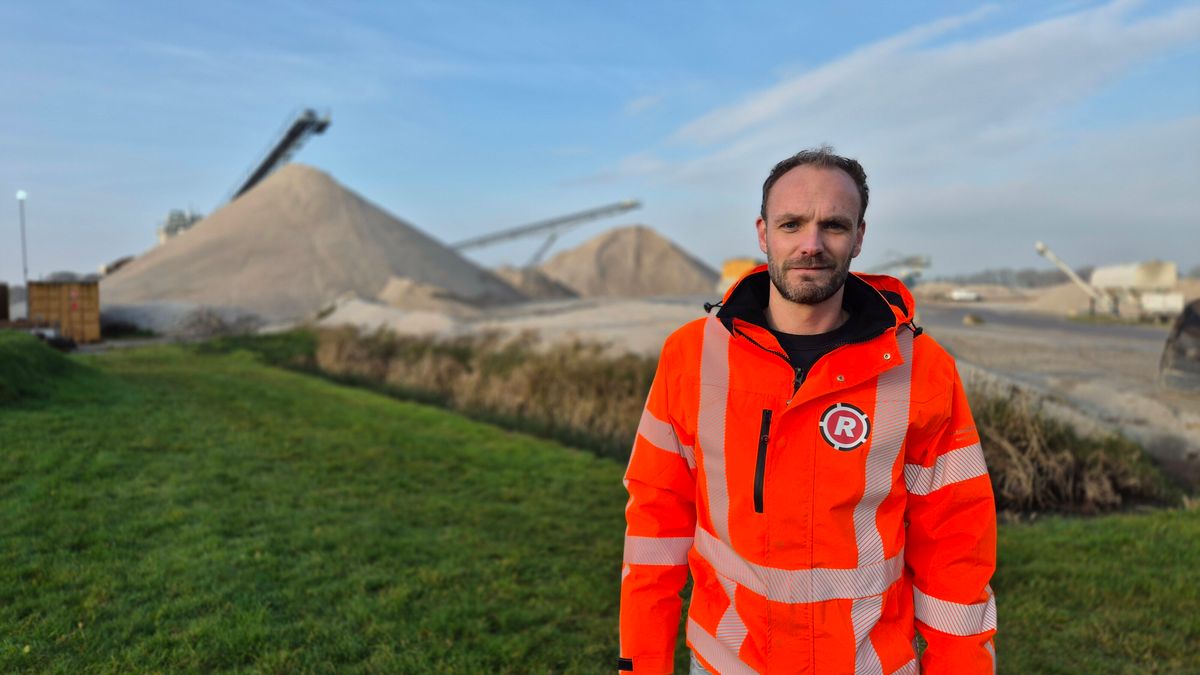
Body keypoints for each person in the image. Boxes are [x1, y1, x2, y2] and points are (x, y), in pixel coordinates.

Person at [618, 147, 997, 674]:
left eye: (834, 226)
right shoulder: (692, 356)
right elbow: (654, 531)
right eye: (792, 224)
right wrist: (642, 665)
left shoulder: (921, 370)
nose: (811, 245)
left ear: (860, 236)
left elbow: (956, 554)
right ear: (762, 233)